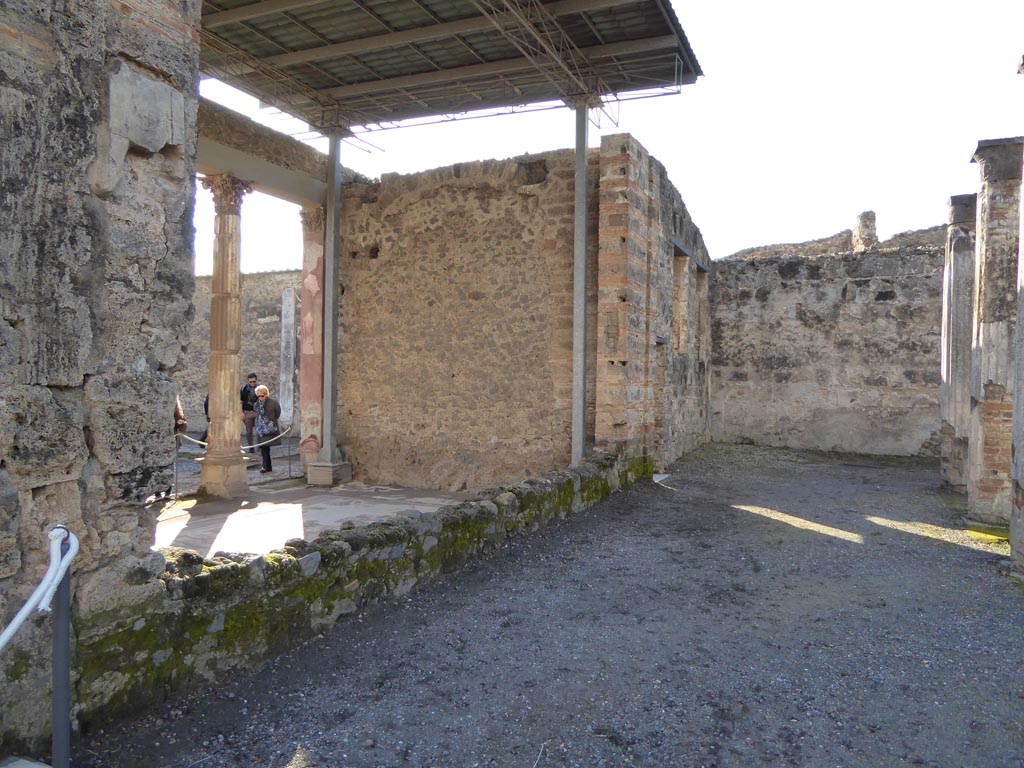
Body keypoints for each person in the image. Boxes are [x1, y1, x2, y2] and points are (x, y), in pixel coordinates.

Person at [253, 384, 281, 474]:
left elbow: (278, 413)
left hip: (270, 428)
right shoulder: (256, 405)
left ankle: (266, 466)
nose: (260, 398)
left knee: (266, 447)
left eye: (262, 395)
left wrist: (270, 421)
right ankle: (266, 466)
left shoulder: (273, 403)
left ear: (266, 394)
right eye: (259, 396)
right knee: (264, 448)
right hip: (261, 429)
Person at [240, 372, 258, 453]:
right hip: (247, 411)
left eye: (254, 381)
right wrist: (241, 412)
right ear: (248, 381)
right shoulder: (244, 388)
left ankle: (260, 446)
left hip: (257, 412)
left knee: (259, 430)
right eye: (250, 382)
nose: (252, 383)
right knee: (249, 431)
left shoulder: (259, 388)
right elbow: (241, 401)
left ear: (256, 380)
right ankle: (251, 447)